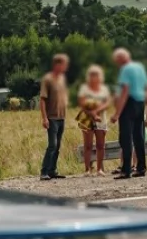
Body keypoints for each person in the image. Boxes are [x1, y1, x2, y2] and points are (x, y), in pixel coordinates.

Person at [110, 48, 147, 179]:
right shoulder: (139, 67)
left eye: (117, 61)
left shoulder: (125, 69)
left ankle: (126, 169)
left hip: (129, 103)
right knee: (138, 136)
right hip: (140, 103)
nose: (117, 64)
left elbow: (125, 90)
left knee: (125, 137)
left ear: (121, 59)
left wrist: (117, 113)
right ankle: (141, 167)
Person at [76, 65, 112, 176]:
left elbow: (107, 102)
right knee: (88, 145)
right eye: (92, 75)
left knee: (100, 144)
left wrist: (97, 111)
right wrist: (92, 114)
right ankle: (87, 169)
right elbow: (82, 104)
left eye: (96, 75)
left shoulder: (104, 89)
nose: (94, 78)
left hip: (101, 117)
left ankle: (99, 169)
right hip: (87, 117)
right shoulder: (84, 88)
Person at [39, 53, 69, 181]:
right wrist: (44, 118)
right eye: (64, 64)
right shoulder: (47, 79)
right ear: (57, 64)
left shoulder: (62, 78)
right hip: (52, 117)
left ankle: (52, 170)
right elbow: (42, 100)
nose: (66, 67)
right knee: (52, 145)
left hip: (61, 117)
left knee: (57, 146)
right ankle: (44, 171)